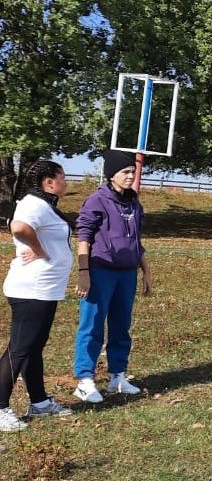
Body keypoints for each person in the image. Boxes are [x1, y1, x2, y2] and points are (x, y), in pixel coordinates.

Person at [72, 150, 153, 403]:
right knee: (92, 324)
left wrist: (146, 271)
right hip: (100, 271)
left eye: (133, 171)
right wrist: (84, 271)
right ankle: (85, 380)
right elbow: (83, 237)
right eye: (125, 172)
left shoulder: (134, 203)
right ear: (112, 176)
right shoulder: (97, 201)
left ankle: (118, 375)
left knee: (121, 325)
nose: (131, 176)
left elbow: (136, 240)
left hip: (126, 274)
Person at [1, 161, 74, 432]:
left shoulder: (44, 206)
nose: (66, 182)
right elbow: (19, 227)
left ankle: (40, 403)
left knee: (33, 347)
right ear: (48, 181)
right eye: (62, 177)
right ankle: (0, 407)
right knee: (19, 349)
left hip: (43, 290)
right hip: (31, 289)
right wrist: (39, 249)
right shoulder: (33, 203)